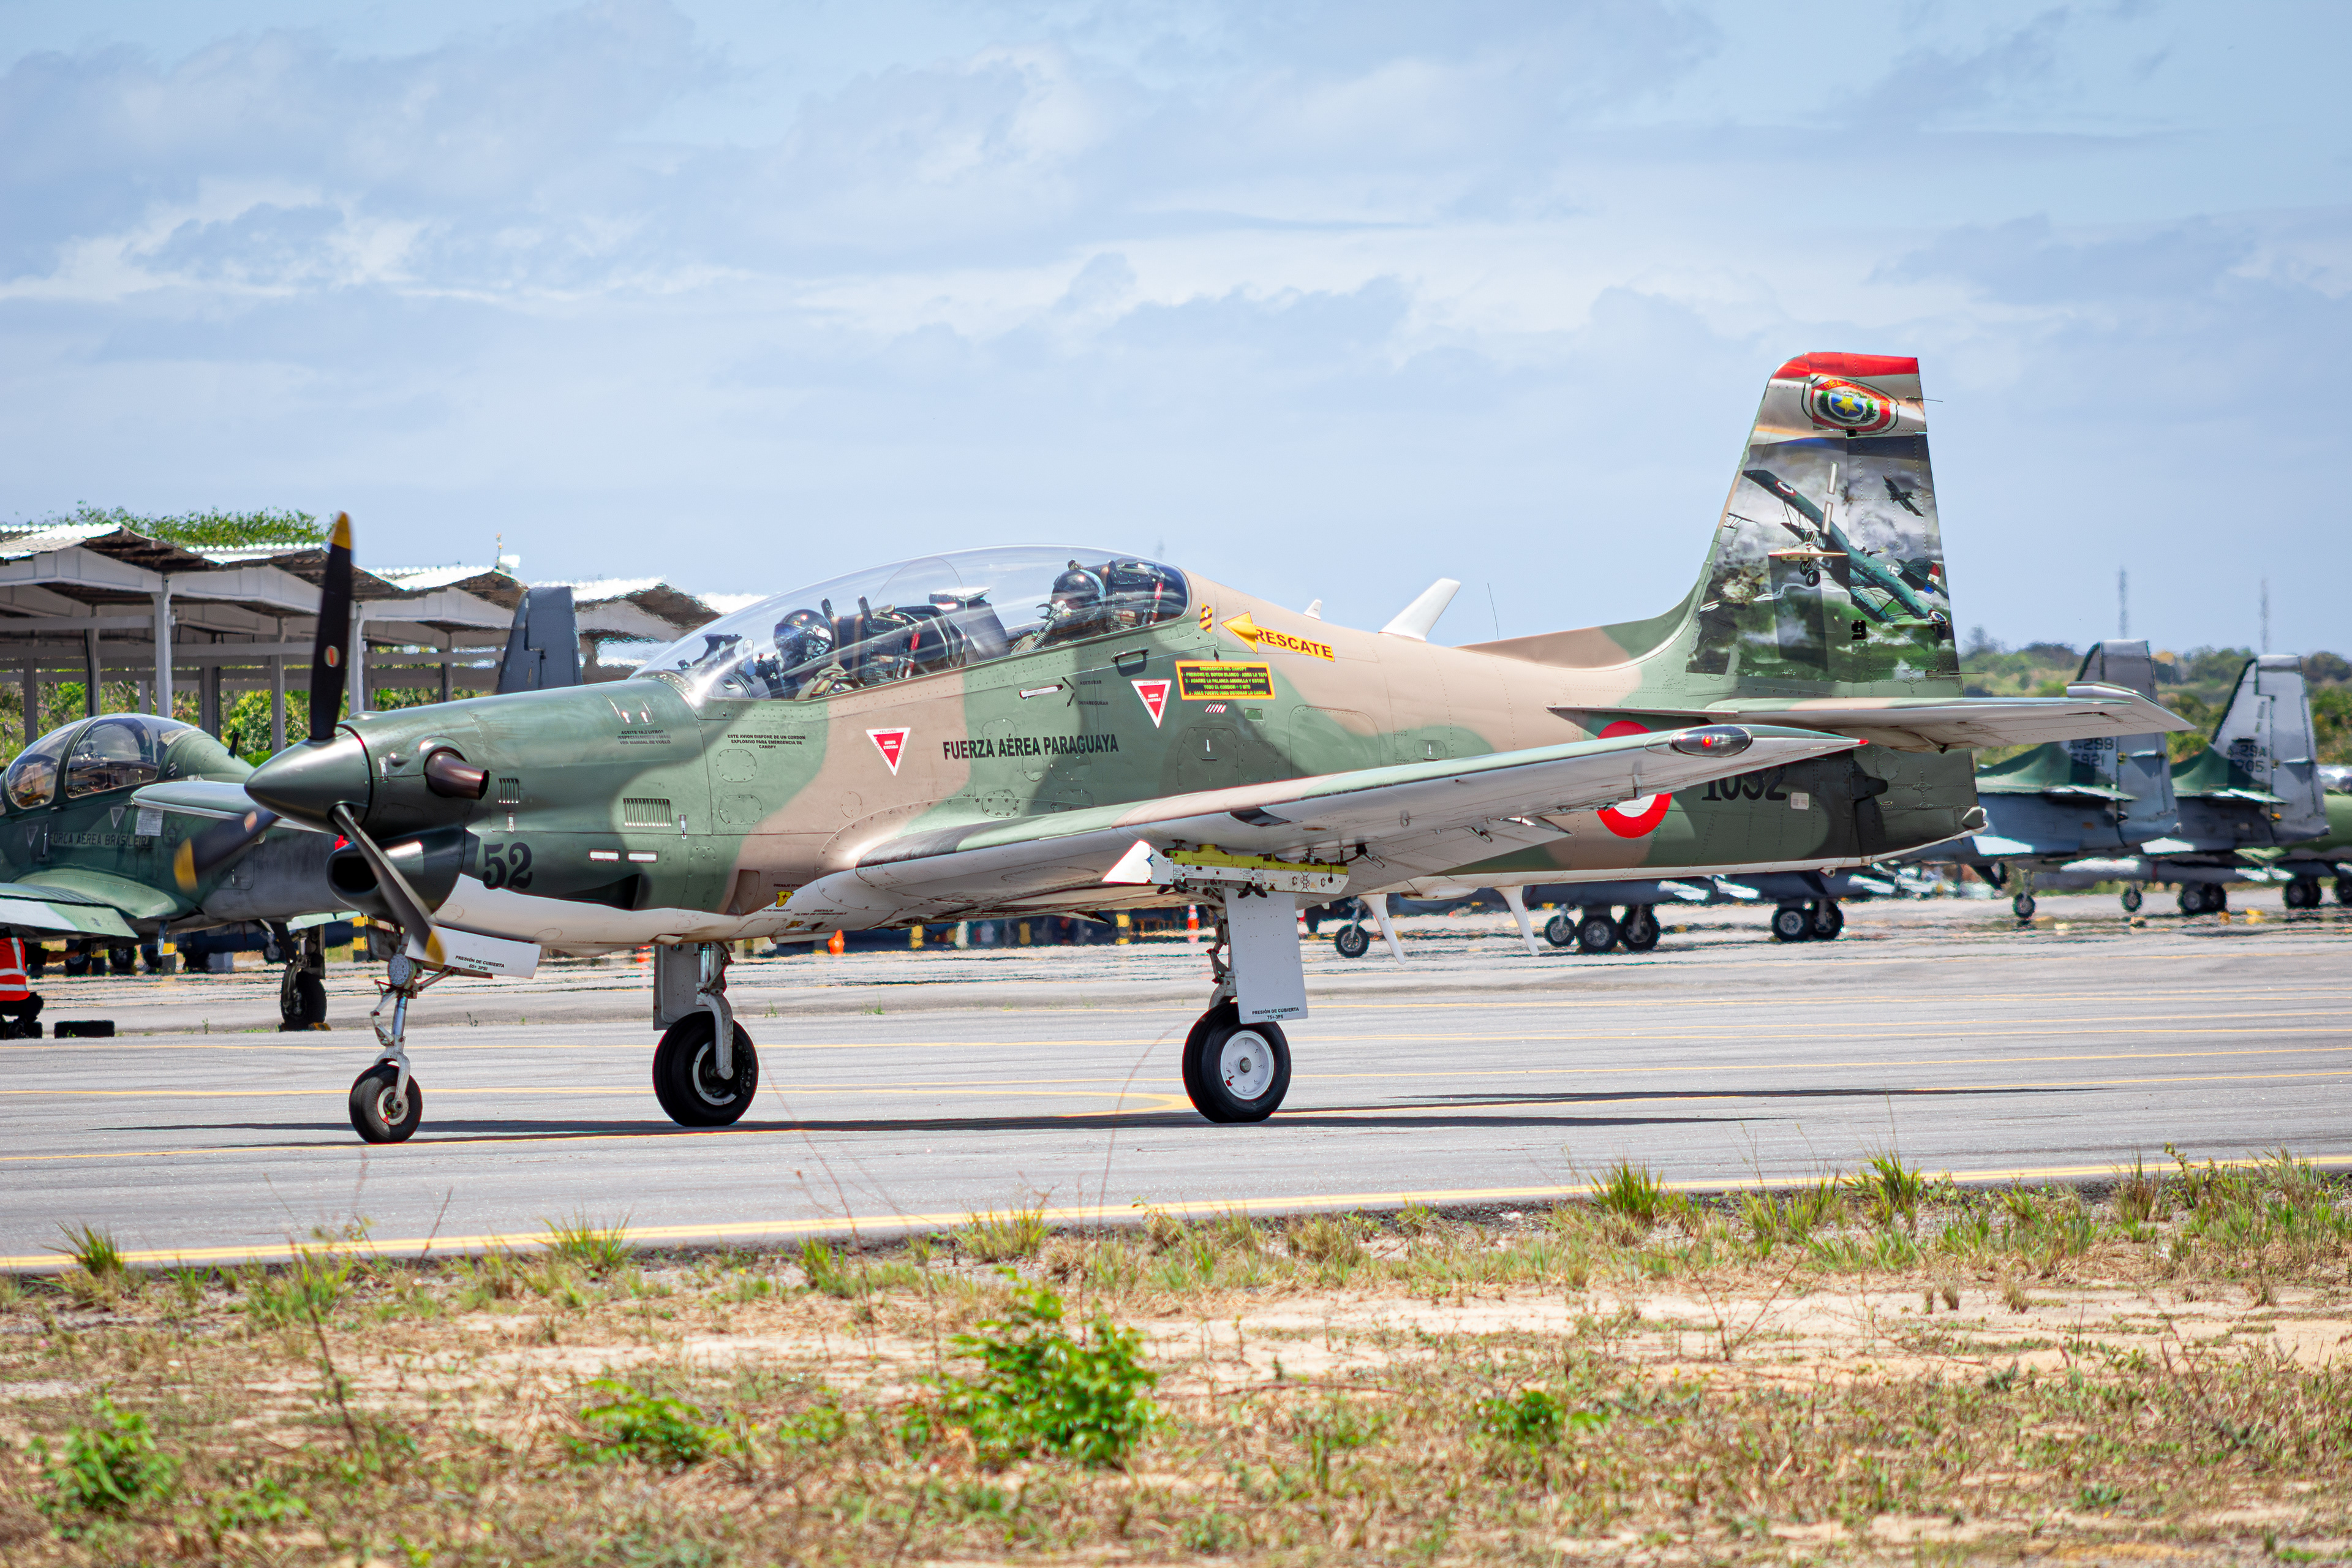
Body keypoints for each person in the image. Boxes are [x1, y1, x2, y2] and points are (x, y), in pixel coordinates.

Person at [0, 935, 43, 1039]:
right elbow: (54, 957)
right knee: (37, 1002)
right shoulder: (20, 948)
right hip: (20, 1003)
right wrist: (79, 951)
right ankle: (20, 1023)